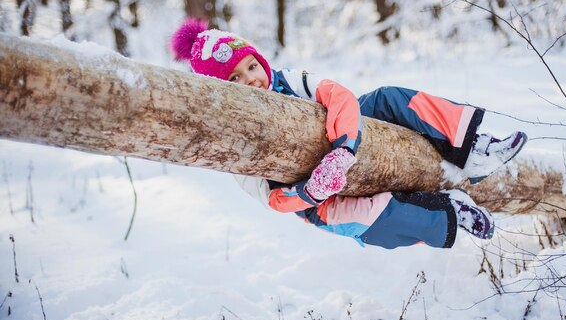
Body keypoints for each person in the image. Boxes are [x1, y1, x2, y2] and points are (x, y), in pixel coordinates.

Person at [170, 18, 527, 250]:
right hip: (314, 197)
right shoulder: (235, 143)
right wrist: (309, 191)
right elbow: (272, 200)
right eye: (235, 79)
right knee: (365, 218)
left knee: (387, 98)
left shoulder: (287, 80)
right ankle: (451, 212)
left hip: (346, 136)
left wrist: (343, 147)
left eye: (251, 66)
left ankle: (472, 148)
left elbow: (335, 94)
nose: (252, 79)